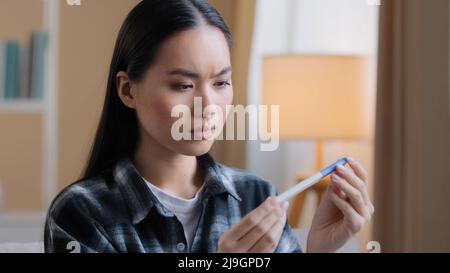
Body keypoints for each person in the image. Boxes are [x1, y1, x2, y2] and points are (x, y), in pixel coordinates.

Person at [44, 0, 374, 253]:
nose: (207, 107)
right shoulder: (82, 213)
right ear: (128, 90)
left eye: (220, 83)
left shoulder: (257, 197)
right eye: (183, 86)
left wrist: (318, 248)